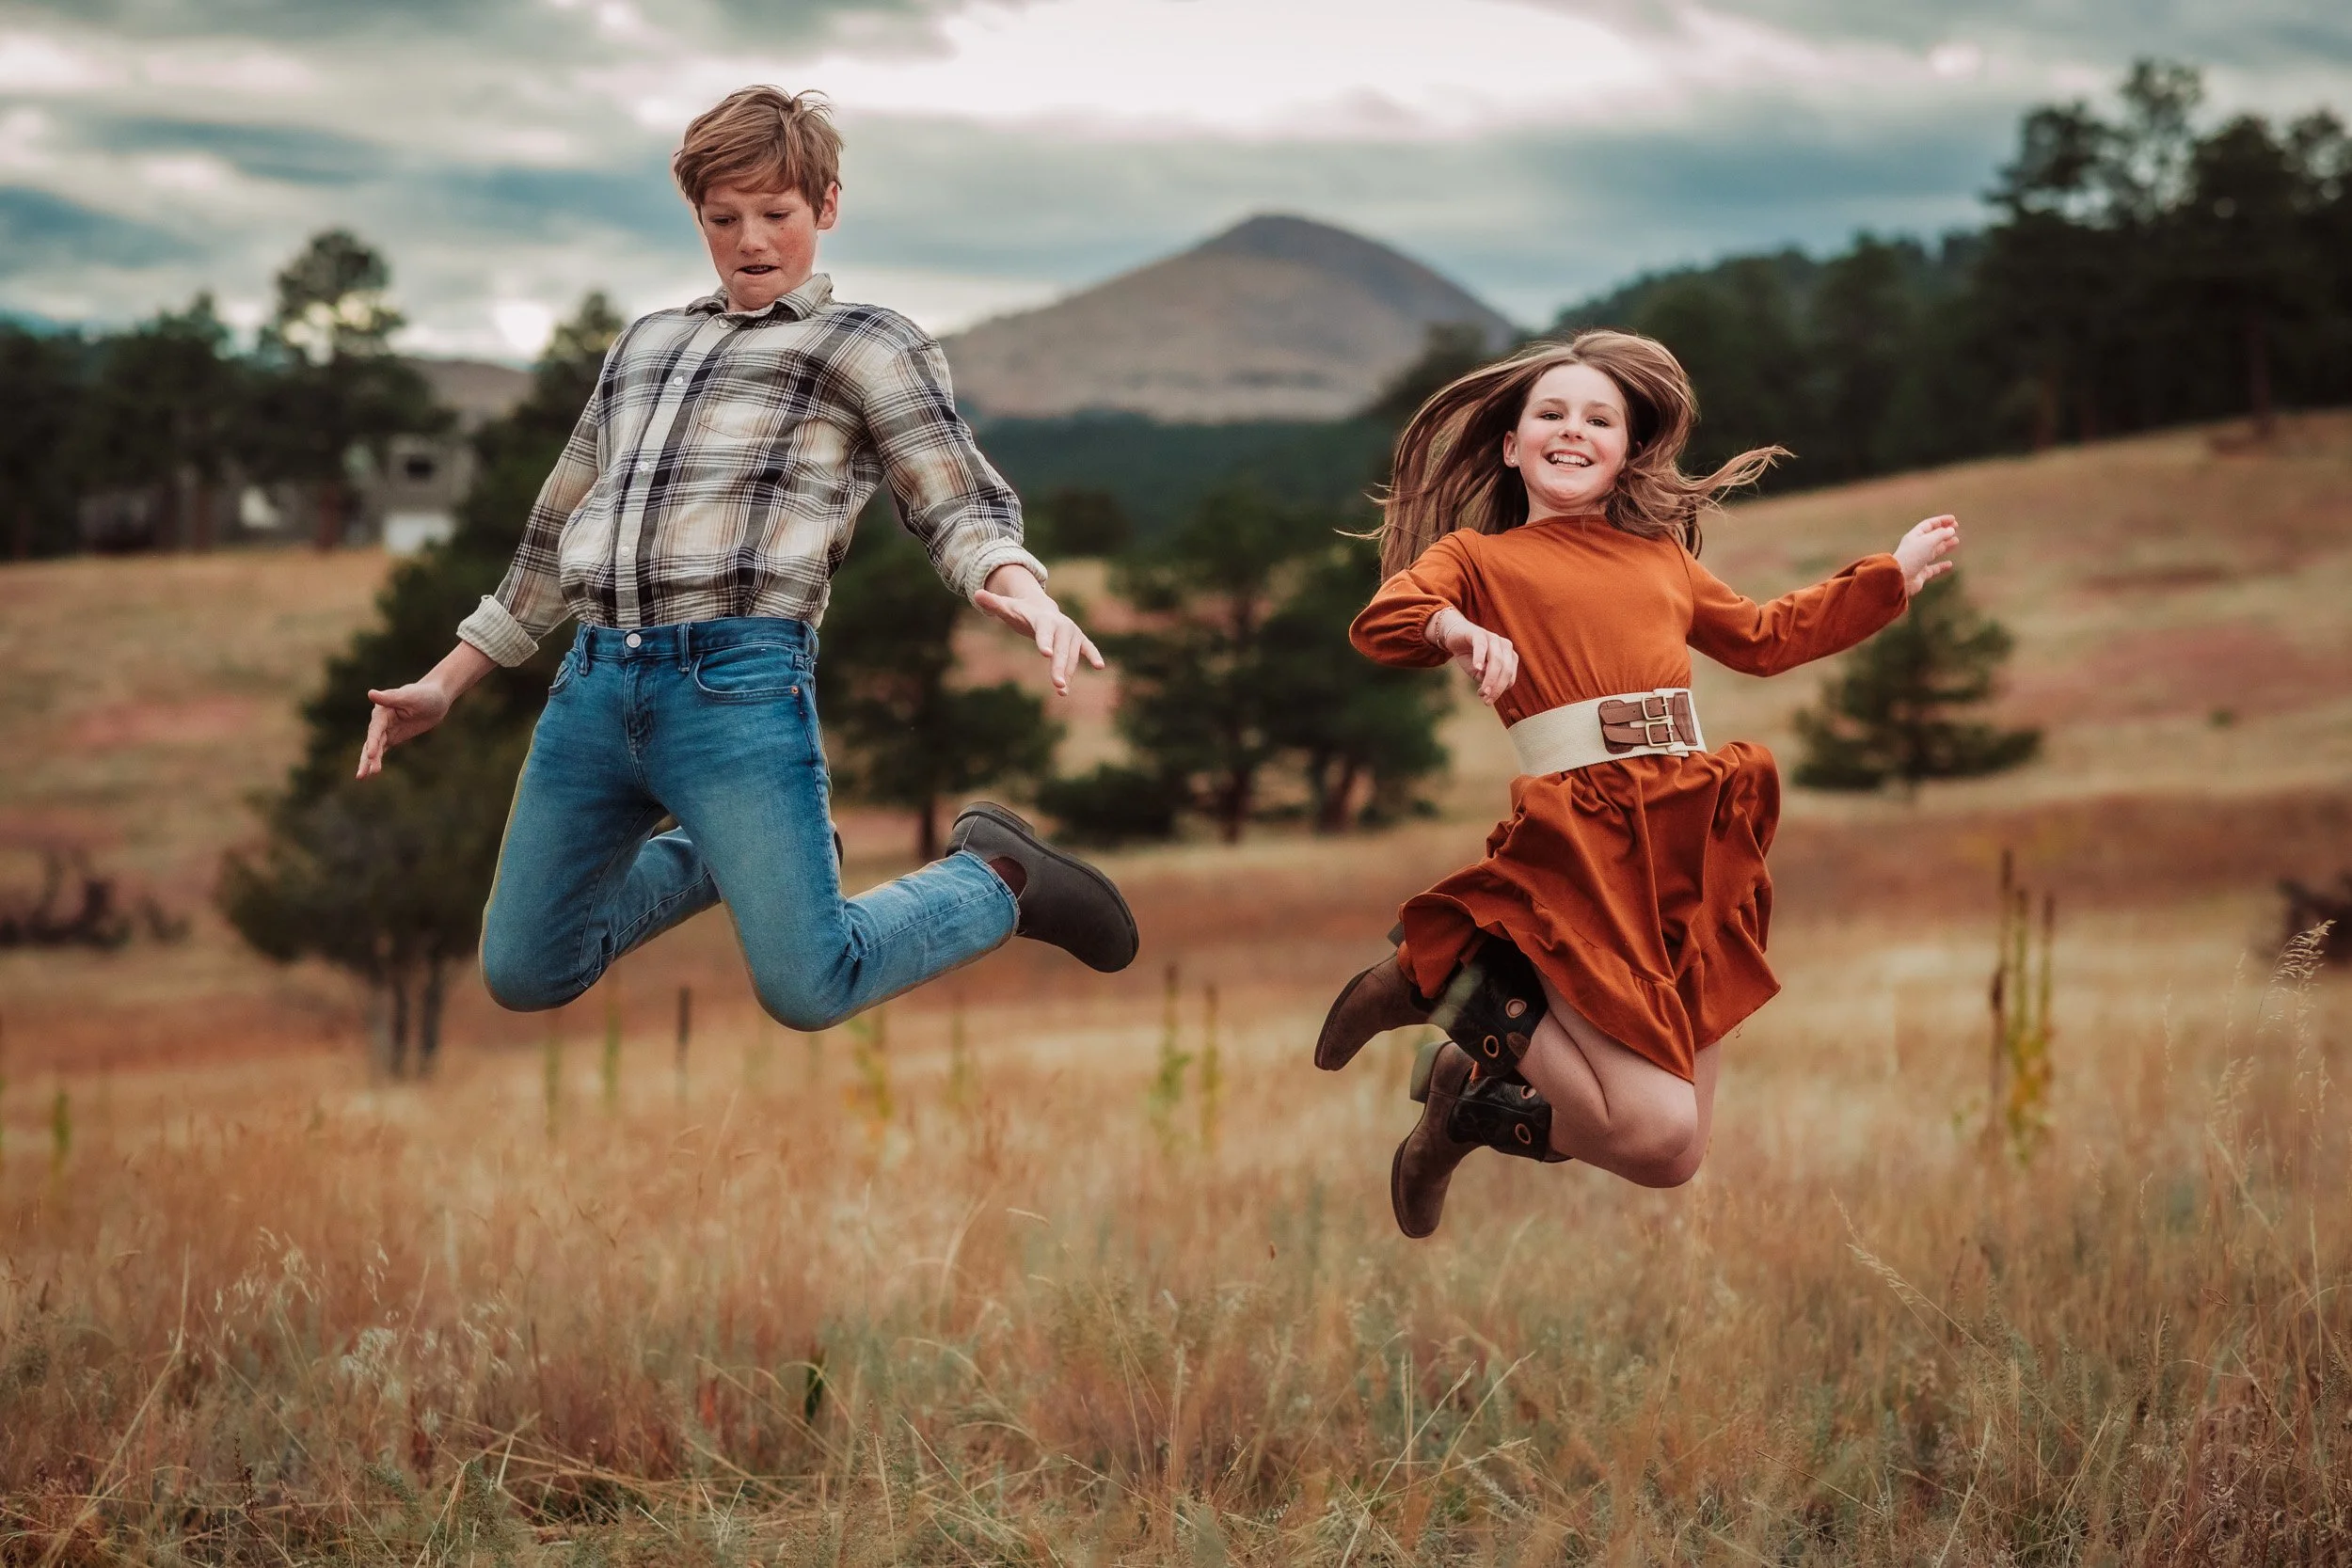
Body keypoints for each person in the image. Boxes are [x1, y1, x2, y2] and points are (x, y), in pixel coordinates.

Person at [354, 86, 1137, 1030]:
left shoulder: (868, 344)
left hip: (737, 692)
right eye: (724, 218)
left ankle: (998, 876)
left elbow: (957, 499)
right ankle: (722, 855)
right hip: (593, 691)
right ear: (697, 216)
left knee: (809, 985)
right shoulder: (644, 346)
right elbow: (552, 539)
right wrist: (446, 683)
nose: (751, 239)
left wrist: (1012, 584)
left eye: (777, 214)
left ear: (827, 206)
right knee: (525, 968)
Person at [1314, 330, 1959, 1237]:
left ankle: (1467, 1098)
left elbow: (1767, 638)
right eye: (1550, 413)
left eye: (1598, 418)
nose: (1572, 430)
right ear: (1511, 444)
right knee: (1655, 1134)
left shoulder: (1660, 559)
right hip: (1587, 839)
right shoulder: (1477, 559)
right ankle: (1453, 975)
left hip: (1692, 844)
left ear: (1626, 451)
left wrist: (1887, 576)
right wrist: (1458, 632)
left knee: (1678, 1153)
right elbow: (1385, 621)